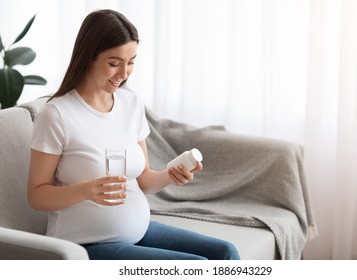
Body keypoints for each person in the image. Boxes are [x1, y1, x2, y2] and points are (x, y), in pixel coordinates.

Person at [27, 9, 240, 260]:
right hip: (87, 244)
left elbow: (144, 180)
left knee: (226, 253)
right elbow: (36, 195)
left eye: (131, 62)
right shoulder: (57, 115)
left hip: (138, 233)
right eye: (114, 63)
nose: (124, 73)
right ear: (88, 57)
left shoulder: (131, 104)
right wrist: (86, 190)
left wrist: (171, 176)